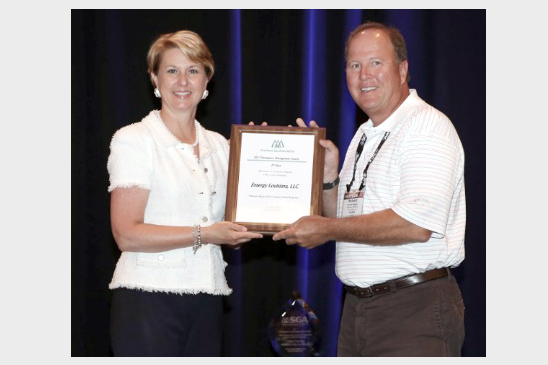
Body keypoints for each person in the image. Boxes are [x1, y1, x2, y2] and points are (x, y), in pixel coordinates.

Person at [273, 22, 466, 356]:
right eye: (354, 65)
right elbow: (349, 222)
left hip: (413, 311)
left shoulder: (426, 126)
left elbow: (416, 225)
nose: (365, 75)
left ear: (403, 69)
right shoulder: (364, 134)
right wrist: (329, 179)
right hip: (358, 312)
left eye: (376, 63)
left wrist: (326, 229)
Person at [106, 30, 263, 356]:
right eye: (171, 70)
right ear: (154, 77)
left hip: (207, 299)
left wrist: (265, 156)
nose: (182, 81)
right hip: (147, 300)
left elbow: (250, 210)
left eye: (193, 70)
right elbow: (127, 234)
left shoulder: (221, 146)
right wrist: (206, 234)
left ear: (207, 79)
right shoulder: (134, 140)